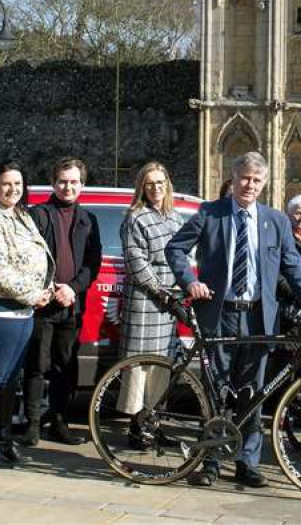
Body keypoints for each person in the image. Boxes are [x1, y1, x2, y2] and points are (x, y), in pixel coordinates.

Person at [165, 152, 301, 489]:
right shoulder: (211, 213)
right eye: (244, 178)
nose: (249, 185)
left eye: (256, 180)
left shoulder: (276, 221)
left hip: (259, 317)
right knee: (217, 390)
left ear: (264, 184)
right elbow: (175, 249)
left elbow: (292, 268)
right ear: (234, 177)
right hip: (220, 313)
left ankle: (247, 462)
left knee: (252, 392)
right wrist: (190, 281)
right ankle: (210, 460)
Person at [0, 160, 54, 468]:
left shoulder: (22, 214)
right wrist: (33, 294)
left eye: (18, 184)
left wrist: (48, 286)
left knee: (10, 380)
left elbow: (38, 256)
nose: (12, 189)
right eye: (6, 184)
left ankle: (4, 440)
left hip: (24, 312)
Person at [22, 157, 102, 446]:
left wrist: (73, 288)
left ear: (82, 185)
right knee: (36, 365)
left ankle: (59, 421)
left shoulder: (88, 220)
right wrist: (49, 286)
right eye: (63, 181)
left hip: (71, 305)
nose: (68, 187)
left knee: (65, 367)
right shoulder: (38, 215)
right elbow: (28, 259)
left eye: (74, 182)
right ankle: (31, 425)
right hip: (43, 304)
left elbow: (93, 262)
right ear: (54, 183)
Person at [117, 162, 184, 446]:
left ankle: (154, 425)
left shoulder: (176, 218)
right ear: (142, 187)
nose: (156, 188)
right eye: (150, 183)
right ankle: (136, 428)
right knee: (139, 368)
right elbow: (137, 264)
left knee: (161, 367)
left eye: (161, 182)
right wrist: (162, 292)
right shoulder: (136, 217)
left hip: (169, 304)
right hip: (146, 301)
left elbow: (183, 256)